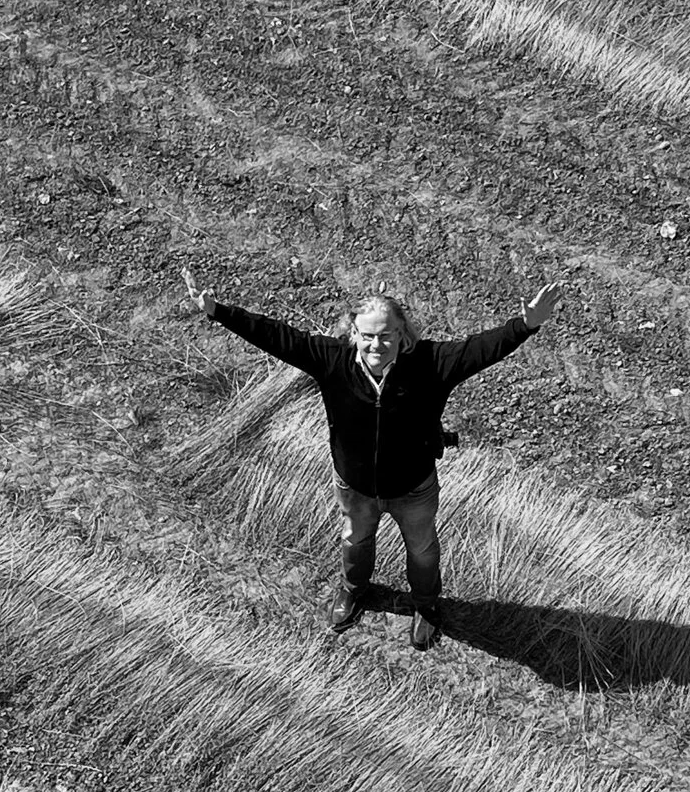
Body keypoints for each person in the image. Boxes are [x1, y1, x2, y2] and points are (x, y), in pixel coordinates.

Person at [182, 269, 563, 649]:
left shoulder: (431, 363)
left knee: (423, 549)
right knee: (355, 539)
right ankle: (354, 590)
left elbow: (483, 348)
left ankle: (427, 606)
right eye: (367, 336)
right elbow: (277, 336)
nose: (376, 345)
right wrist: (218, 310)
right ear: (354, 335)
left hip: (413, 487)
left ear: (401, 333)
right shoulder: (333, 361)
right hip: (354, 486)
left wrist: (525, 325)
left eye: (385, 335)